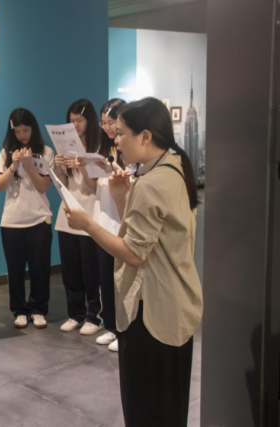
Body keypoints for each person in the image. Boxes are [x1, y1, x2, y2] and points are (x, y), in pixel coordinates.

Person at [65, 97, 203, 426]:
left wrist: (88, 224)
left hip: (151, 312)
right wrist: (122, 198)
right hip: (173, 307)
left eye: (122, 133)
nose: (116, 140)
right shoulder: (174, 168)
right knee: (169, 407)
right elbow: (153, 236)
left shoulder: (152, 183)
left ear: (145, 136)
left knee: (146, 410)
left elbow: (134, 253)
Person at [0, 108, 54, 329]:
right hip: (11, 221)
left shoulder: (46, 152)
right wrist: (13, 165)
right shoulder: (5, 153)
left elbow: (43, 186)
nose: (22, 135)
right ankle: (19, 310)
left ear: (33, 128)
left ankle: (38, 309)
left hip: (39, 219)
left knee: (40, 269)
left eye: (26, 130)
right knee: (15, 270)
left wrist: (28, 165)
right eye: (18, 131)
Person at [55, 99, 103, 336]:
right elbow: (63, 185)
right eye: (72, 121)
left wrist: (83, 163)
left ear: (89, 120)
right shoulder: (65, 146)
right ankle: (76, 313)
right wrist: (60, 166)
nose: (75, 125)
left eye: (79, 120)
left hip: (91, 214)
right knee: (71, 270)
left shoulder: (99, 146)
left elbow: (96, 187)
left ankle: (95, 315)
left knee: (91, 271)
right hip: (67, 215)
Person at [93, 98, 127, 352]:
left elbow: (130, 179)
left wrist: (110, 165)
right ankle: (111, 326)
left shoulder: (127, 148)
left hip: (122, 222)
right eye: (103, 123)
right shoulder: (102, 147)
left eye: (111, 122)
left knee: (121, 281)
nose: (107, 128)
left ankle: (124, 331)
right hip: (103, 220)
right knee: (105, 278)